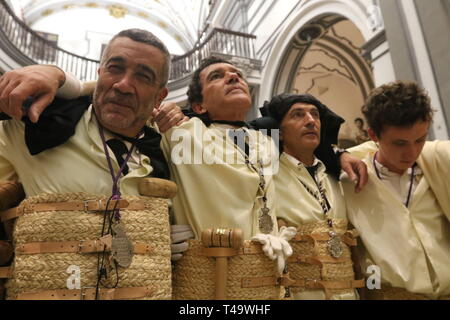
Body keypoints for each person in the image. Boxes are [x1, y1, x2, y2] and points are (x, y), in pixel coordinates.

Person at [0, 28, 184, 300]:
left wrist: (159, 240)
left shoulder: (162, 150)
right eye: (115, 68)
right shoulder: (41, 125)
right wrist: (59, 76)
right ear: (99, 74)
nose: (123, 85)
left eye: (143, 76)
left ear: (160, 97)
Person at [341, 81, 450, 300]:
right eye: (399, 143)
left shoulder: (438, 161)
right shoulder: (349, 183)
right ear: (373, 135)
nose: (411, 152)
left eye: (420, 139)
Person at [260, 94, 363, 300]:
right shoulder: (267, 174)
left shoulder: (335, 174)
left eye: (315, 114)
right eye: (298, 115)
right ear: (279, 133)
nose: (310, 121)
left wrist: (339, 154)